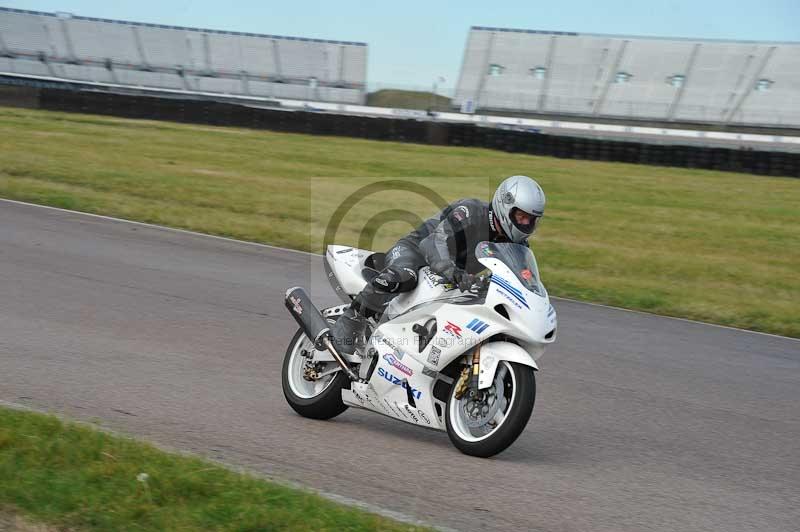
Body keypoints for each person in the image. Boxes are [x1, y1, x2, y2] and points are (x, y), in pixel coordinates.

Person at [330, 175, 546, 354]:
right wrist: (450, 269)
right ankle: (352, 319)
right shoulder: (470, 211)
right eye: (521, 216)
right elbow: (434, 242)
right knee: (403, 276)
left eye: (531, 219)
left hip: (451, 277)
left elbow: (520, 276)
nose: (525, 224)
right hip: (415, 253)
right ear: (505, 205)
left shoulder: (517, 244)